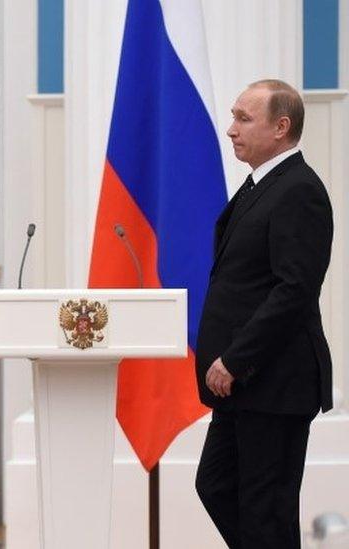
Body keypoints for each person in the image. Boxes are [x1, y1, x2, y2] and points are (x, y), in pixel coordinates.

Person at [195, 79, 333, 548]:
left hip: (273, 381)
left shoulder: (299, 190)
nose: (231, 129)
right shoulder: (262, 185)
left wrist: (236, 359)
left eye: (243, 118)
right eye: (233, 116)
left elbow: (294, 290)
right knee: (216, 485)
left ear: (281, 127)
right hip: (246, 384)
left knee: (265, 511)